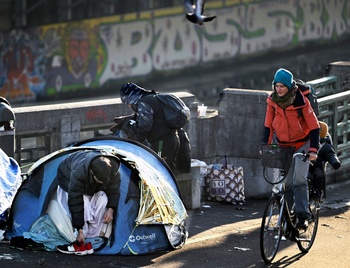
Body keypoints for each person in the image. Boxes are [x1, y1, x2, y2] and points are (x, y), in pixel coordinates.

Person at [262, 68, 320, 230]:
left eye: (282, 86)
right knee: (286, 183)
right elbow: (268, 126)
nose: (279, 89)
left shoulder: (301, 101)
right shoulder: (272, 101)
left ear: (289, 86)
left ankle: (302, 216)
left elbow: (314, 127)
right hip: (284, 144)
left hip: (303, 143)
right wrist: (264, 146)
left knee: (299, 179)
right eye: (276, 86)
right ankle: (288, 215)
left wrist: (313, 150)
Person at [54, 150, 121, 255]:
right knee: (83, 200)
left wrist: (111, 210)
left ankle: (93, 237)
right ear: (92, 173)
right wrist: (80, 229)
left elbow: (114, 190)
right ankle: (80, 238)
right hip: (66, 178)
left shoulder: (113, 171)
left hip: (89, 182)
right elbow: (75, 201)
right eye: (99, 181)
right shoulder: (79, 172)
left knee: (103, 198)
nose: (101, 183)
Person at [112, 82, 180, 175]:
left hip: (162, 142)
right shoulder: (151, 97)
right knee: (168, 173)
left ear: (131, 97)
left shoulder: (144, 103)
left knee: (158, 174)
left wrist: (129, 129)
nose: (129, 105)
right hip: (171, 139)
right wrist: (126, 119)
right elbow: (151, 117)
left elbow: (143, 128)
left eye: (128, 102)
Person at [309, 121, 341, 200]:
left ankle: (318, 192)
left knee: (318, 175)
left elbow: (331, 155)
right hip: (306, 165)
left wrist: (335, 162)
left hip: (318, 166)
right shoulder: (308, 143)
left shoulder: (325, 145)